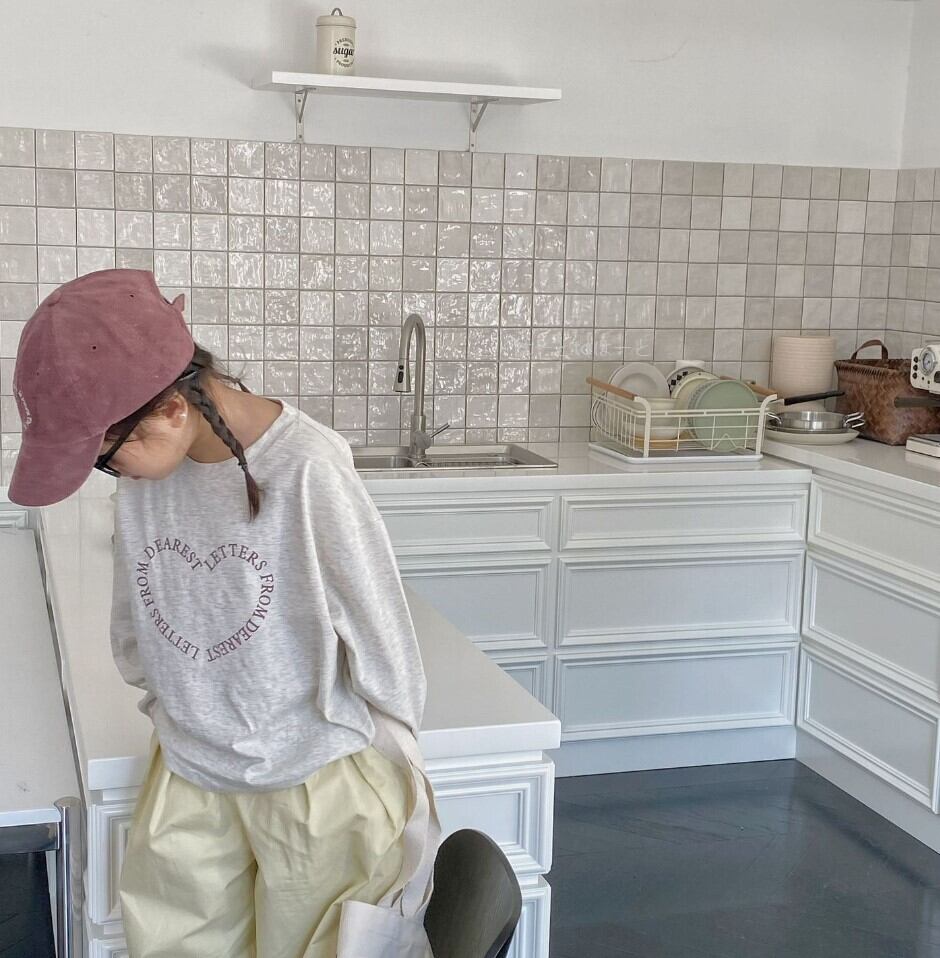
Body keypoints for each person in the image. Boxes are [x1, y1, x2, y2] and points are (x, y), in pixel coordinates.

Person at [8, 268, 437, 957]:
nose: (107, 474)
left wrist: (393, 761)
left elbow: (382, 637)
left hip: (315, 788)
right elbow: (134, 620)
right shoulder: (145, 479)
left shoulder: (308, 468)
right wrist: (178, 705)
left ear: (171, 409)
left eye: (106, 459)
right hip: (188, 777)